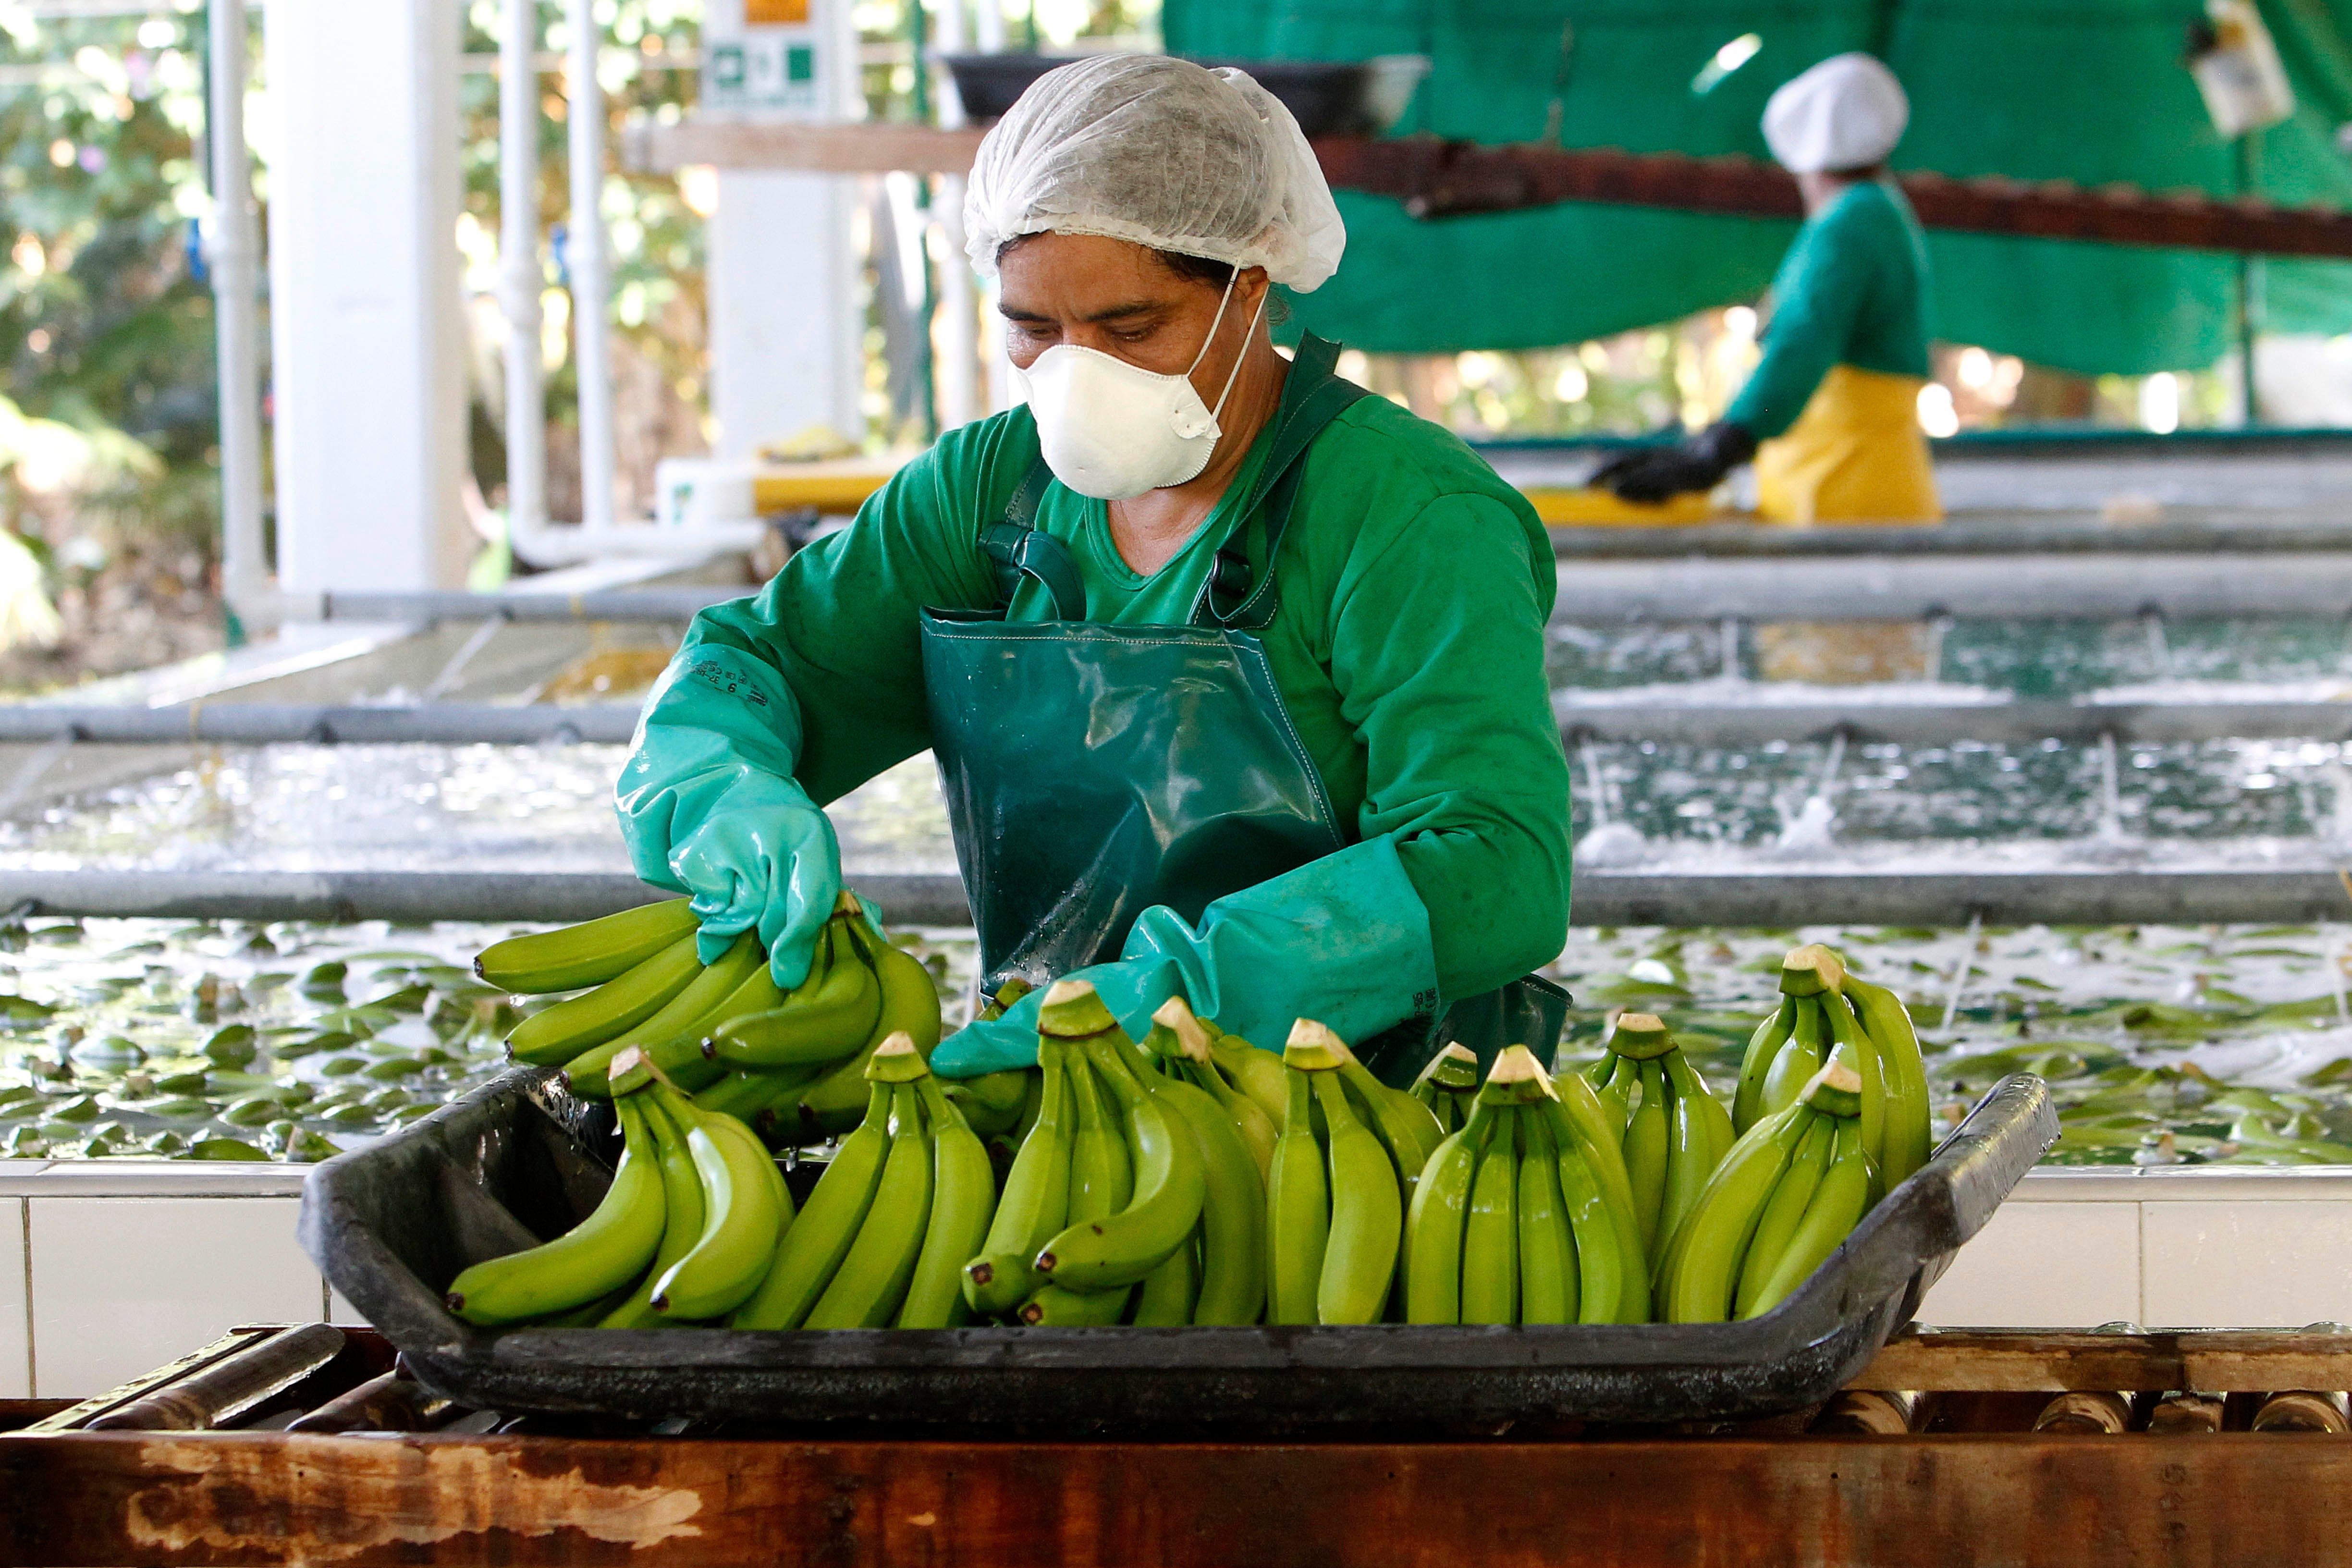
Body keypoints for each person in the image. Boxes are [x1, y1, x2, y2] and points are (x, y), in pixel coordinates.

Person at [614, 55, 1573, 1081]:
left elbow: (1498, 864)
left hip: (1376, 1113)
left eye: (1130, 328)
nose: (1077, 368)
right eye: (1034, 329)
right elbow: (763, 663)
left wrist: (1186, 995)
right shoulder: (986, 491)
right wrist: (719, 785)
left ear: (1248, 290)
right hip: (1051, 1087)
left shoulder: (1403, 513)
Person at [1593, 52, 1941, 527]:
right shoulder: (1882, 210)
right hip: (1864, 483)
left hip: (1845, 491)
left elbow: (1801, 345)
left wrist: (1719, 449)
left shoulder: (1848, 227)